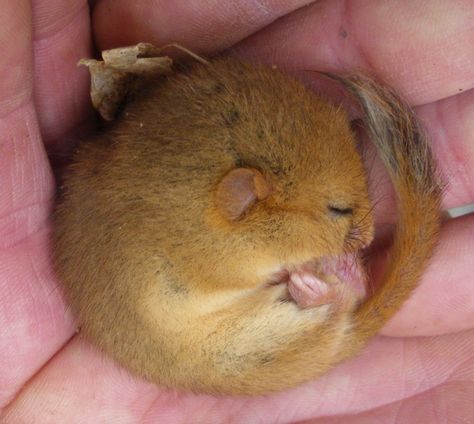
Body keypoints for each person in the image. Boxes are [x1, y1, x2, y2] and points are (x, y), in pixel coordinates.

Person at [1, 1, 473, 422]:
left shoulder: (209, 197)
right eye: (338, 211)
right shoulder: (205, 238)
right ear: (246, 200)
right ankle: (323, 309)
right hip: (203, 344)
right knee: (270, 333)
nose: (364, 233)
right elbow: (216, 269)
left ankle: (321, 307)